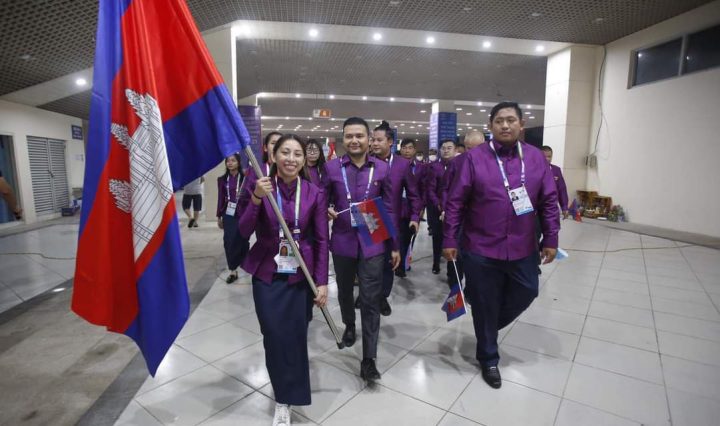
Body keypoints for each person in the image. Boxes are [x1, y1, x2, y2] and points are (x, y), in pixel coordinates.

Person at [443, 102, 559, 389]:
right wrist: (449, 238)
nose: (505, 125)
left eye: (511, 120)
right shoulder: (474, 159)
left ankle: (487, 324)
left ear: (521, 124)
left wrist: (551, 238)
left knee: (528, 289)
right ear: (491, 126)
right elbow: (455, 202)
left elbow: (548, 201)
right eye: (499, 121)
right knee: (485, 300)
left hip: (523, 245)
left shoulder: (535, 158)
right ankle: (488, 357)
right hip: (480, 246)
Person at [238, 134, 329, 426]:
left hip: (300, 276)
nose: (291, 159)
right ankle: (282, 394)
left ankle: (288, 397)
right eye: (285, 152)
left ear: (304, 160)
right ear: (273, 156)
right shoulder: (261, 186)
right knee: (274, 335)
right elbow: (243, 229)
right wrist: (256, 197)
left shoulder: (314, 192)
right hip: (267, 272)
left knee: (295, 337)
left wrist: (322, 281)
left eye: (297, 154)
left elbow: (322, 240)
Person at [321, 116, 399, 382]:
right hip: (343, 240)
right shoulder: (332, 168)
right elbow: (321, 200)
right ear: (343, 139)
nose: (354, 140)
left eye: (359, 136)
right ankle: (349, 325)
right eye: (349, 136)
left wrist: (394, 246)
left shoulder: (382, 169)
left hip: (373, 239)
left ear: (369, 139)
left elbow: (390, 208)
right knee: (344, 291)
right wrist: (326, 208)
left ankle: (369, 359)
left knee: (370, 298)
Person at [370, 123, 421, 315]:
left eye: (379, 140)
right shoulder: (367, 162)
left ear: (390, 141)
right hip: (369, 217)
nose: (374, 143)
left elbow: (414, 193)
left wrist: (415, 216)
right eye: (373, 140)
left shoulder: (402, 164)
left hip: (393, 218)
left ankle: (382, 296)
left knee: (389, 259)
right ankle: (368, 293)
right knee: (369, 259)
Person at [440, 131, 486, 288]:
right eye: (469, 148)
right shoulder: (457, 162)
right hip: (459, 215)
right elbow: (445, 188)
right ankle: (455, 284)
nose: (473, 152)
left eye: (478, 148)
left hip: (482, 217)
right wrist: (445, 208)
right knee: (456, 251)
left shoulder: (493, 162)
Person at [216, 153, 250, 284]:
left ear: (238, 162)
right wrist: (219, 216)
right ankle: (233, 270)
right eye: (228, 161)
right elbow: (220, 198)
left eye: (233, 160)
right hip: (229, 214)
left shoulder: (245, 178)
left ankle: (244, 261)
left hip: (244, 213)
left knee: (243, 240)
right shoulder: (222, 180)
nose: (230, 163)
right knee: (229, 241)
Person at [426, 139, 456, 274]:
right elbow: (430, 189)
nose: (446, 150)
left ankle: (452, 269)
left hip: (455, 208)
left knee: (453, 238)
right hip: (437, 208)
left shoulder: (460, 166)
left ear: (455, 150)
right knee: (437, 237)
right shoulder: (434, 167)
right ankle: (436, 263)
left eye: (449, 148)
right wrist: (438, 204)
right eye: (443, 148)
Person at [399, 139, 426, 274]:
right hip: (397, 207)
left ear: (414, 150)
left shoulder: (421, 167)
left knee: (407, 238)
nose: (407, 151)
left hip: (412, 208)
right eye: (404, 148)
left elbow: (424, 189)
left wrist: (421, 208)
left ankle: (404, 264)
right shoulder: (395, 165)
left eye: (410, 148)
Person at [541, 146, 570, 219]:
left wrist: (564, 207)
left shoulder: (556, 170)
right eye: (544, 156)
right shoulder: (533, 170)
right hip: (536, 209)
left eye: (549, 156)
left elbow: (562, 190)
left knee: (552, 226)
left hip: (552, 208)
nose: (547, 159)